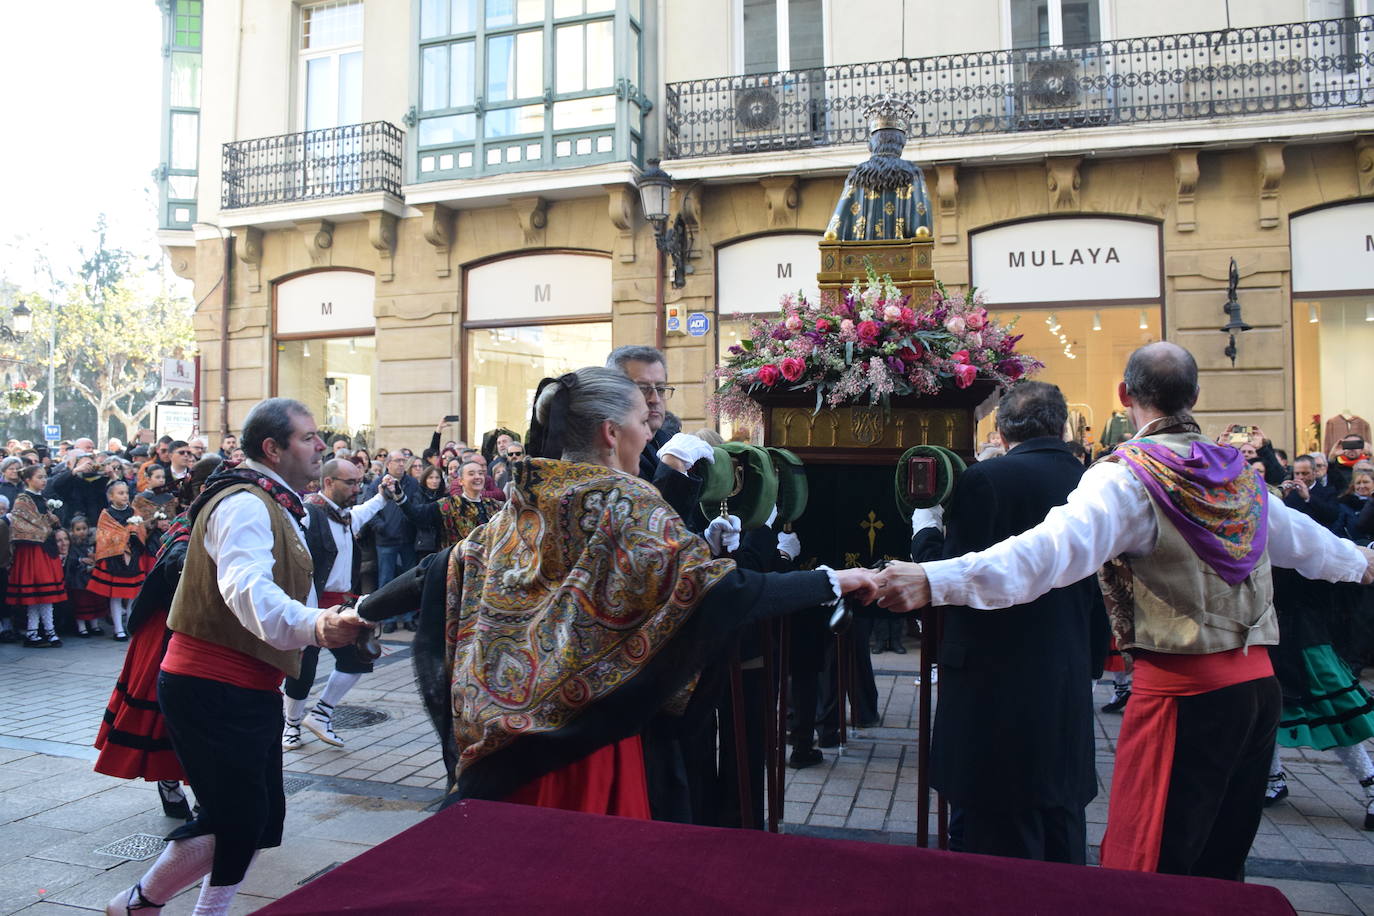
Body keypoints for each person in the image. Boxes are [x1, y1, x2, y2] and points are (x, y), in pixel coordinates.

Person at [872, 342, 1374, 880]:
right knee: (1220, 866)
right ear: (1196, 396)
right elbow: (1314, 548)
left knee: (1150, 869)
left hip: (1183, 695)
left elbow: (1044, 556)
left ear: (1124, 396)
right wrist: (1363, 563)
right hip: (1257, 691)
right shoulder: (1240, 474)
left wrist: (932, 577)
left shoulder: (1129, 477)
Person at [353, 368, 875, 814]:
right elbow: (717, 590)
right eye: (642, 423)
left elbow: (442, 569)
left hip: (502, 744)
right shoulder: (627, 500)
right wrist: (834, 580)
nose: (649, 435)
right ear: (610, 431)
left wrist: (362, 610)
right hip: (589, 744)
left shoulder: (527, 496)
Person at [106, 398, 368, 916]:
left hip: (243, 684)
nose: (321, 446)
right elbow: (246, 588)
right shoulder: (246, 502)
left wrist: (337, 620)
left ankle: (138, 904)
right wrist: (316, 625)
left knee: (256, 817)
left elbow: (289, 593)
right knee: (240, 816)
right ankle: (150, 904)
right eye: (308, 437)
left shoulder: (279, 502)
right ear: (272, 448)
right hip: (211, 683)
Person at [908, 381, 1108, 864]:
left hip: (994, 683)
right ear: (1062, 426)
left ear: (999, 429)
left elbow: (959, 580)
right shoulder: (1096, 482)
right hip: (1066, 666)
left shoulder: (988, 480)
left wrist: (925, 531)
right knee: (1059, 825)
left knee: (993, 838)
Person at [95, 455, 222, 821]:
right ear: (203, 490)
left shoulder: (227, 524)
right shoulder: (184, 526)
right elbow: (173, 562)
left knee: (206, 716)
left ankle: (204, 791)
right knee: (166, 715)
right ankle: (170, 783)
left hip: (209, 630)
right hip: (167, 629)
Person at [282, 457, 387, 751]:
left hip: (342, 603)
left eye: (358, 482)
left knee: (359, 658)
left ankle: (321, 714)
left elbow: (363, 512)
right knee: (304, 668)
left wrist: (383, 496)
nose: (356, 488)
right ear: (329, 482)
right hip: (312, 603)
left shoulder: (345, 516)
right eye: (350, 483)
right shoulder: (307, 512)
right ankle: (291, 725)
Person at [9, 464, 67, 648]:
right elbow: (20, 524)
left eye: (44, 477)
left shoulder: (41, 498)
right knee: (36, 594)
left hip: (45, 549)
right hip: (33, 551)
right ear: (28, 480)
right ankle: (35, 632)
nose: (43, 480)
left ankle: (46, 631)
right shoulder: (22, 499)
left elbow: (45, 521)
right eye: (39, 477)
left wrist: (52, 520)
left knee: (45, 594)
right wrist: (46, 526)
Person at [394, 458, 502, 551]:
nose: (478, 477)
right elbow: (416, 514)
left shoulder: (493, 505)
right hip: (457, 566)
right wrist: (399, 496)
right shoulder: (448, 505)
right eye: (471, 474)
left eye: (480, 473)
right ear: (461, 481)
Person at [88, 480, 148, 641]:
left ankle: (129, 624)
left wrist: (137, 532)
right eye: (120, 493)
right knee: (116, 596)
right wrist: (126, 534)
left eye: (126, 493)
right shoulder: (106, 514)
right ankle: (118, 629)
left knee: (131, 595)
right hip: (114, 559)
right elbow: (103, 536)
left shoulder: (133, 512)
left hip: (132, 557)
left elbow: (142, 531)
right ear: (111, 496)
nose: (125, 496)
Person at [65, 514, 104, 637]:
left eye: (84, 528)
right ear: (72, 531)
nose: (82, 532)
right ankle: (82, 627)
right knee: (81, 602)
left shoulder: (91, 543)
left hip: (91, 577)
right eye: (78, 529)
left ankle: (94, 625)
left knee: (93, 600)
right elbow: (70, 561)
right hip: (78, 579)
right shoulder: (72, 545)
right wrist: (81, 560)